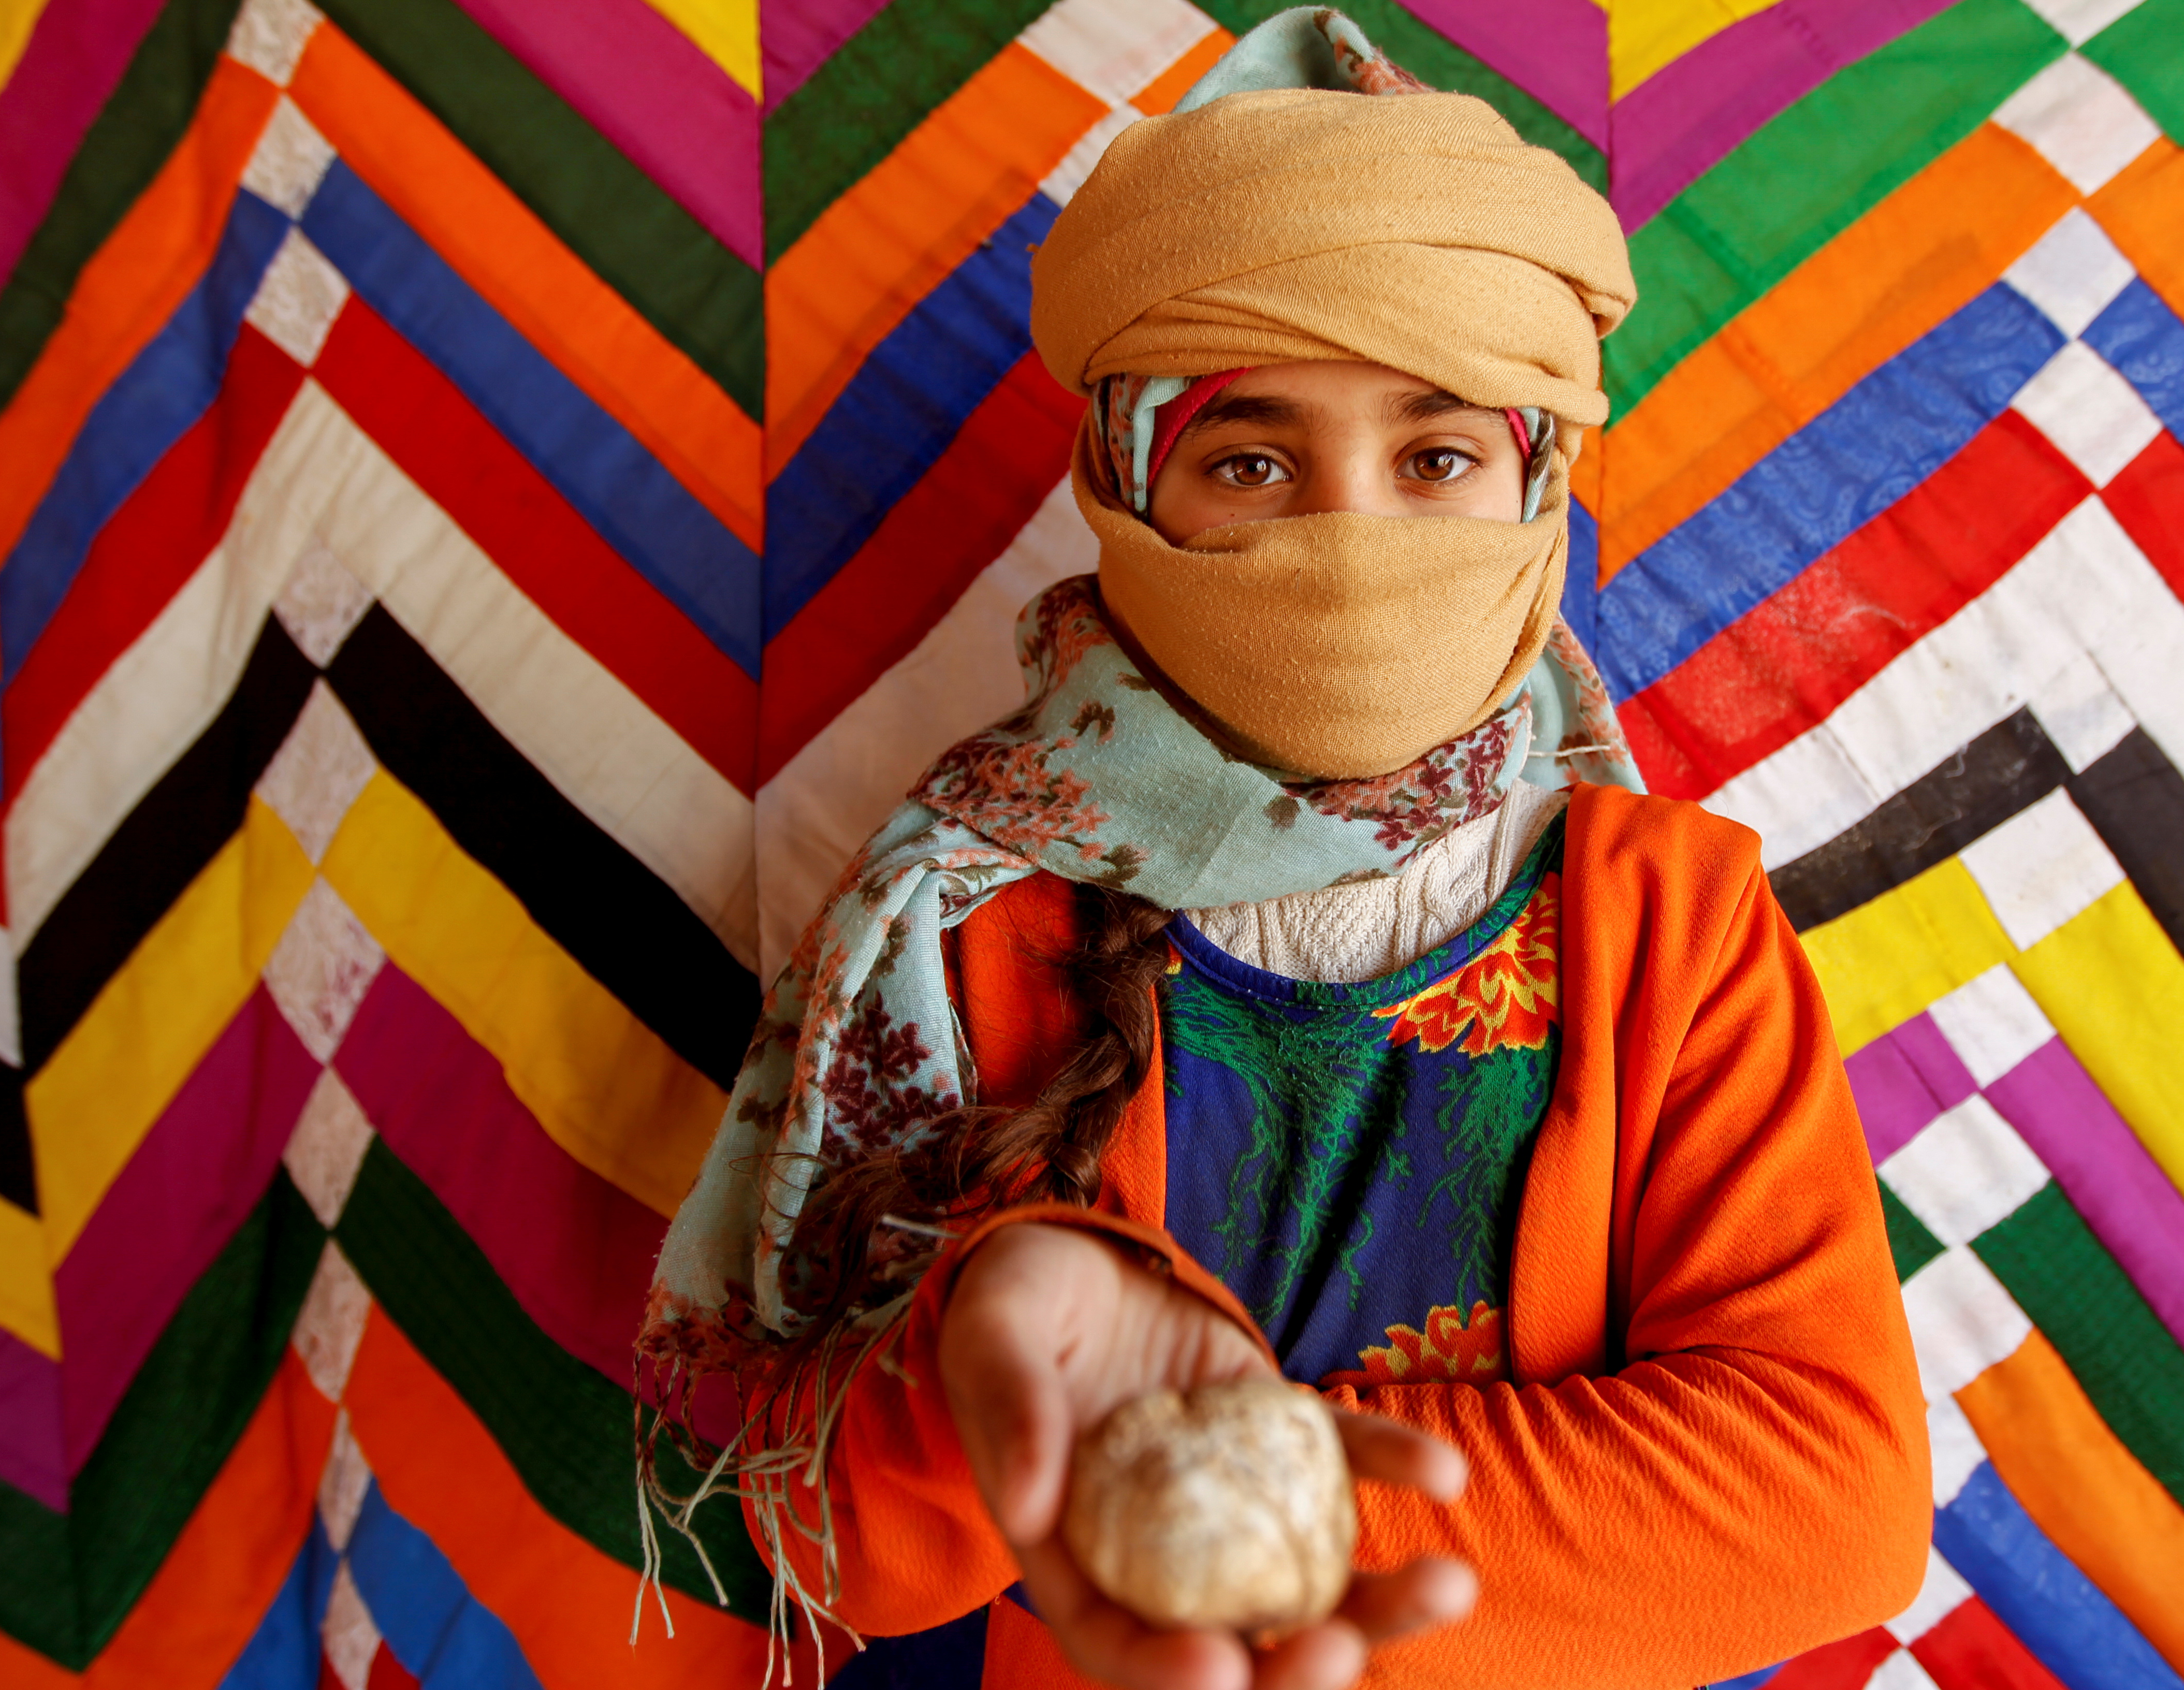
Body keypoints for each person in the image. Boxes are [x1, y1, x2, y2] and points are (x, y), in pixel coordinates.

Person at [636, 11, 1931, 1688]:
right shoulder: (966, 907)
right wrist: (986, 1331)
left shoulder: (1667, 920)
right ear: (1127, 485)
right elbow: (835, 1552)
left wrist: (1248, 1505)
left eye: (1439, 454)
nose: (1350, 539)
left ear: (1540, 481)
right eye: (1252, 461)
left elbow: (1826, 1505)